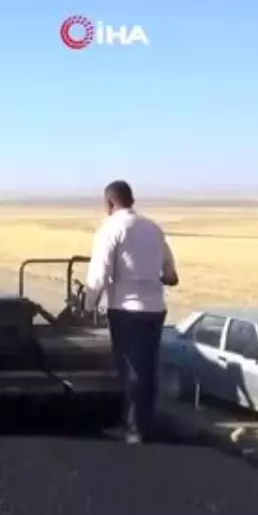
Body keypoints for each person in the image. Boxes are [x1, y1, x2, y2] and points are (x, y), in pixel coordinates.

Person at [84, 180, 180, 444]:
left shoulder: (110, 229)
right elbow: (170, 273)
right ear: (132, 200)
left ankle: (135, 430)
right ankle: (145, 424)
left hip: (126, 311)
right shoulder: (153, 228)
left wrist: (88, 305)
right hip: (155, 310)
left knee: (132, 370)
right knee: (148, 368)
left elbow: (99, 274)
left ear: (109, 204)